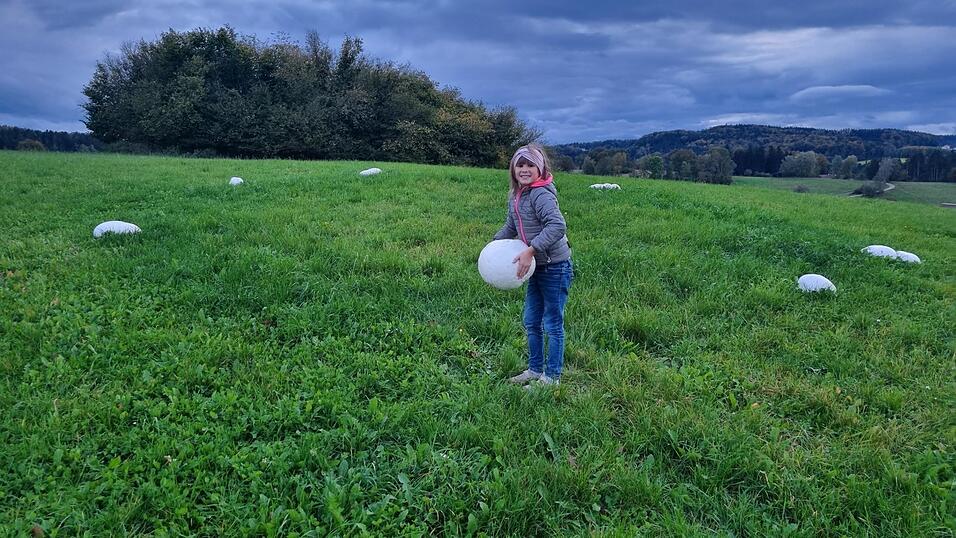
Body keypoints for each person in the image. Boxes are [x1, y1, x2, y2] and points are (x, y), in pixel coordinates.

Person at [494, 144, 573, 387]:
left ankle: (552, 377)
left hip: (555, 267)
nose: (525, 169)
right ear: (513, 169)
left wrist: (530, 249)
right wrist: (494, 246)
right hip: (534, 267)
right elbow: (511, 225)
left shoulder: (541, 194)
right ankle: (535, 369)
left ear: (540, 168)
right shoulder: (518, 195)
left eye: (530, 164)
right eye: (520, 164)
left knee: (552, 323)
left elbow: (557, 226)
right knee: (531, 321)